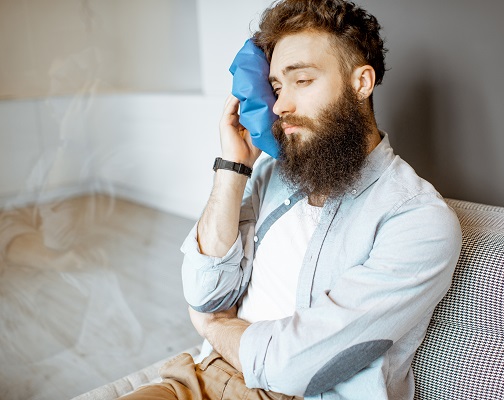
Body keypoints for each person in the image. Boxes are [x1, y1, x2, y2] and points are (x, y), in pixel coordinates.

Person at [120, 0, 461, 399]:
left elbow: (292, 366)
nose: (280, 106)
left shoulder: (417, 220)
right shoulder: (271, 174)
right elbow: (204, 292)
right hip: (201, 378)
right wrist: (234, 166)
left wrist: (212, 326)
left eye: (302, 81)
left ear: (361, 82)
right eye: (277, 87)